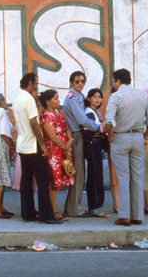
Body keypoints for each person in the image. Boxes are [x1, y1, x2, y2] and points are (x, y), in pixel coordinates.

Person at [105, 69, 148, 226]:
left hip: (121, 136)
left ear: (118, 81)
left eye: (113, 81)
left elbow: (109, 120)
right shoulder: (142, 94)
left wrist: (111, 136)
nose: (114, 83)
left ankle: (125, 215)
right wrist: (146, 136)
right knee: (137, 176)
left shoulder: (116, 96)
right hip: (138, 137)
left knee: (124, 177)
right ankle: (137, 215)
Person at [12, 72, 63, 224]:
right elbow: (34, 123)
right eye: (35, 83)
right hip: (33, 145)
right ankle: (46, 215)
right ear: (29, 83)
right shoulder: (28, 99)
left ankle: (27, 213)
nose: (37, 86)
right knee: (43, 179)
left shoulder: (17, 98)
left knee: (26, 180)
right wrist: (43, 145)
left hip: (22, 144)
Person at [63, 71, 99, 217]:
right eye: (77, 81)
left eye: (82, 81)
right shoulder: (72, 98)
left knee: (80, 173)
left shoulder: (80, 97)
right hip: (76, 135)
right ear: (71, 83)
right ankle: (74, 209)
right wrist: (98, 127)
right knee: (77, 174)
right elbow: (81, 119)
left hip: (80, 135)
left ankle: (72, 206)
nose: (80, 84)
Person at [39, 90, 74, 221]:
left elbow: (67, 128)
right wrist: (66, 148)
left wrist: (69, 142)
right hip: (54, 153)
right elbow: (52, 137)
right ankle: (53, 211)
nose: (58, 101)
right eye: (55, 99)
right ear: (48, 102)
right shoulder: (46, 116)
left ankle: (55, 210)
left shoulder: (59, 113)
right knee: (53, 182)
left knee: (60, 180)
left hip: (64, 151)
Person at [82, 88, 110, 218]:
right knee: (95, 176)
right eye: (94, 96)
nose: (98, 99)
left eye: (99, 97)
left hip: (97, 145)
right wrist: (102, 128)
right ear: (89, 99)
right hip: (92, 144)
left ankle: (96, 206)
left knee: (97, 175)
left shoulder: (96, 112)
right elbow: (87, 130)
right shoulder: (89, 112)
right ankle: (95, 208)